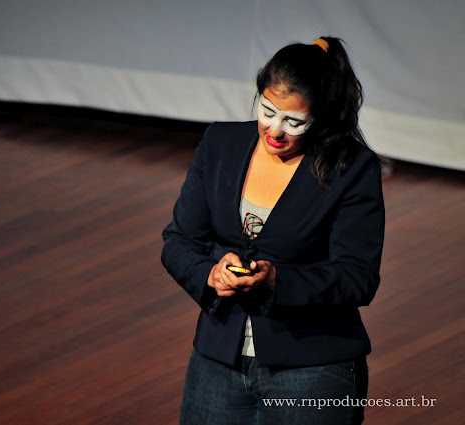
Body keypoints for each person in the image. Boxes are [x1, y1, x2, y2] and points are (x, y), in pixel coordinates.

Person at [161, 36, 385, 424]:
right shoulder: (220, 143)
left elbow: (357, 276)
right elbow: (179, 240)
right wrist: (210, 275)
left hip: (312, 367)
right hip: (217, 362)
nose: (275, 130)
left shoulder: (351, 168)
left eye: (294, 121)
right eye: (267, 110)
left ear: (322, 116)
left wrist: (277, 282)